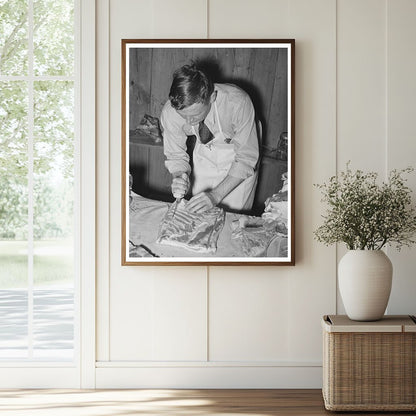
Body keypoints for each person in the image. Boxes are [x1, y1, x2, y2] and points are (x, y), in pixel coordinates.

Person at [160, 63, 259, 213]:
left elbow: (246, 158)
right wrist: (180, 176)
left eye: (194, 116)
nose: (188, 122)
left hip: (239, 154)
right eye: (183, 116)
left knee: (233, 218)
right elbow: (175, 155)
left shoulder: (238, 103)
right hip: (205, 149)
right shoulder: (170, 112)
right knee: (199, 213)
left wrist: (215, 195)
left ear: (212, 97)